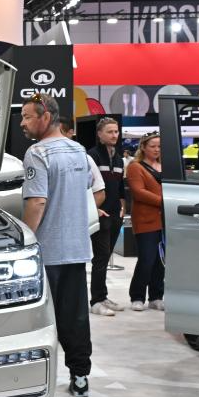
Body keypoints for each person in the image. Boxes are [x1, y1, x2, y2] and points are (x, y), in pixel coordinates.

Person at [20, 94, 103, 397]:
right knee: (76, 316)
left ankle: (30, 380)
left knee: (35, 318)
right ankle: (80, 376)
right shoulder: (79, 151)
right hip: (76, 249)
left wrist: (24, 241)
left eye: (27, 117)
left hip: (47, 251)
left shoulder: (37, 152)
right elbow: (92, 191)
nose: (22, 123)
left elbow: (37, 202)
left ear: (45, 117)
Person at [87, 117, 127, 316]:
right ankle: (96, 300)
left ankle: (102, 296)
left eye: (116, 131)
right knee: (101, 257)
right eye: (110, 132)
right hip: (100, 214)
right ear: (100, 134)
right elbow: (87, 186)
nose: (114, 135)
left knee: (106, 254)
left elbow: (120, 187)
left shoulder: (119, 158)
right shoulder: (92, 156)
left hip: (115, 214)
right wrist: (94, 209)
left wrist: (123, 206)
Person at [126, 132, 165, 312]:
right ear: (143, 147)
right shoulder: (135, 167)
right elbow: (139, 192)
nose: (156, 149)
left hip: (165, 220)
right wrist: (164, 201)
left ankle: (156, 296)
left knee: (160, 261)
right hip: (145, 220)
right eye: (152, 146)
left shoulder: (165, 166)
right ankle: (137, 296)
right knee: (146, 259)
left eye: (159, 146)